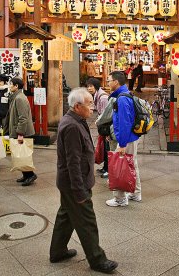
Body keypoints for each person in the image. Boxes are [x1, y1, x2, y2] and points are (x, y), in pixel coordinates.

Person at [49, 87, 118, 274]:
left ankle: (57, 251)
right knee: (87, 221)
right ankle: (97, 259)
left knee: (66, 216)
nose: (93, 107)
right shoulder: (72, 125)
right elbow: (73, 162)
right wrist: (79, 191)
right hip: (74, 184)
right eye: (89, 104)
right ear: (77, 106)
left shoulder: (76, 119)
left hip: (70, 183)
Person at [106, 71, 141, 207]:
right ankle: (135, 193)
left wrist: (122, 144)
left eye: (109, 80)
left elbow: (125, 122)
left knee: (119, 167)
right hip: (132, 137)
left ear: (116, 82)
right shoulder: (126, 94)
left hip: (126, 138)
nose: (108, 83)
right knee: (132, 164)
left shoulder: (122, 98)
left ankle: (120, 198)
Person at [3, 77, 37, 186]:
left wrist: (20, 133)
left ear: (16, 86)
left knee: (23, 155)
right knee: (20, 154)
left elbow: (23, 118)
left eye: (11, 84)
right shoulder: (16, 97)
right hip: (20, 131)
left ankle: (30, 175)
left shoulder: (19, 98)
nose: (9, 86)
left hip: (23, 132)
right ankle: (26, 175)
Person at [86, 77, 109, 178]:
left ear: (96, 86)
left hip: (107, 126)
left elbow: (105, 115)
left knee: (108, 148)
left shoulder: (103, 97)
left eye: (91, 86)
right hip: (103, 125)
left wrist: (98, 122)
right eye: (88, 86)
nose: (89, 88)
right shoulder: (96, 95)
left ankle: (109, 170)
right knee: (104, 146)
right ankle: (105, 167)